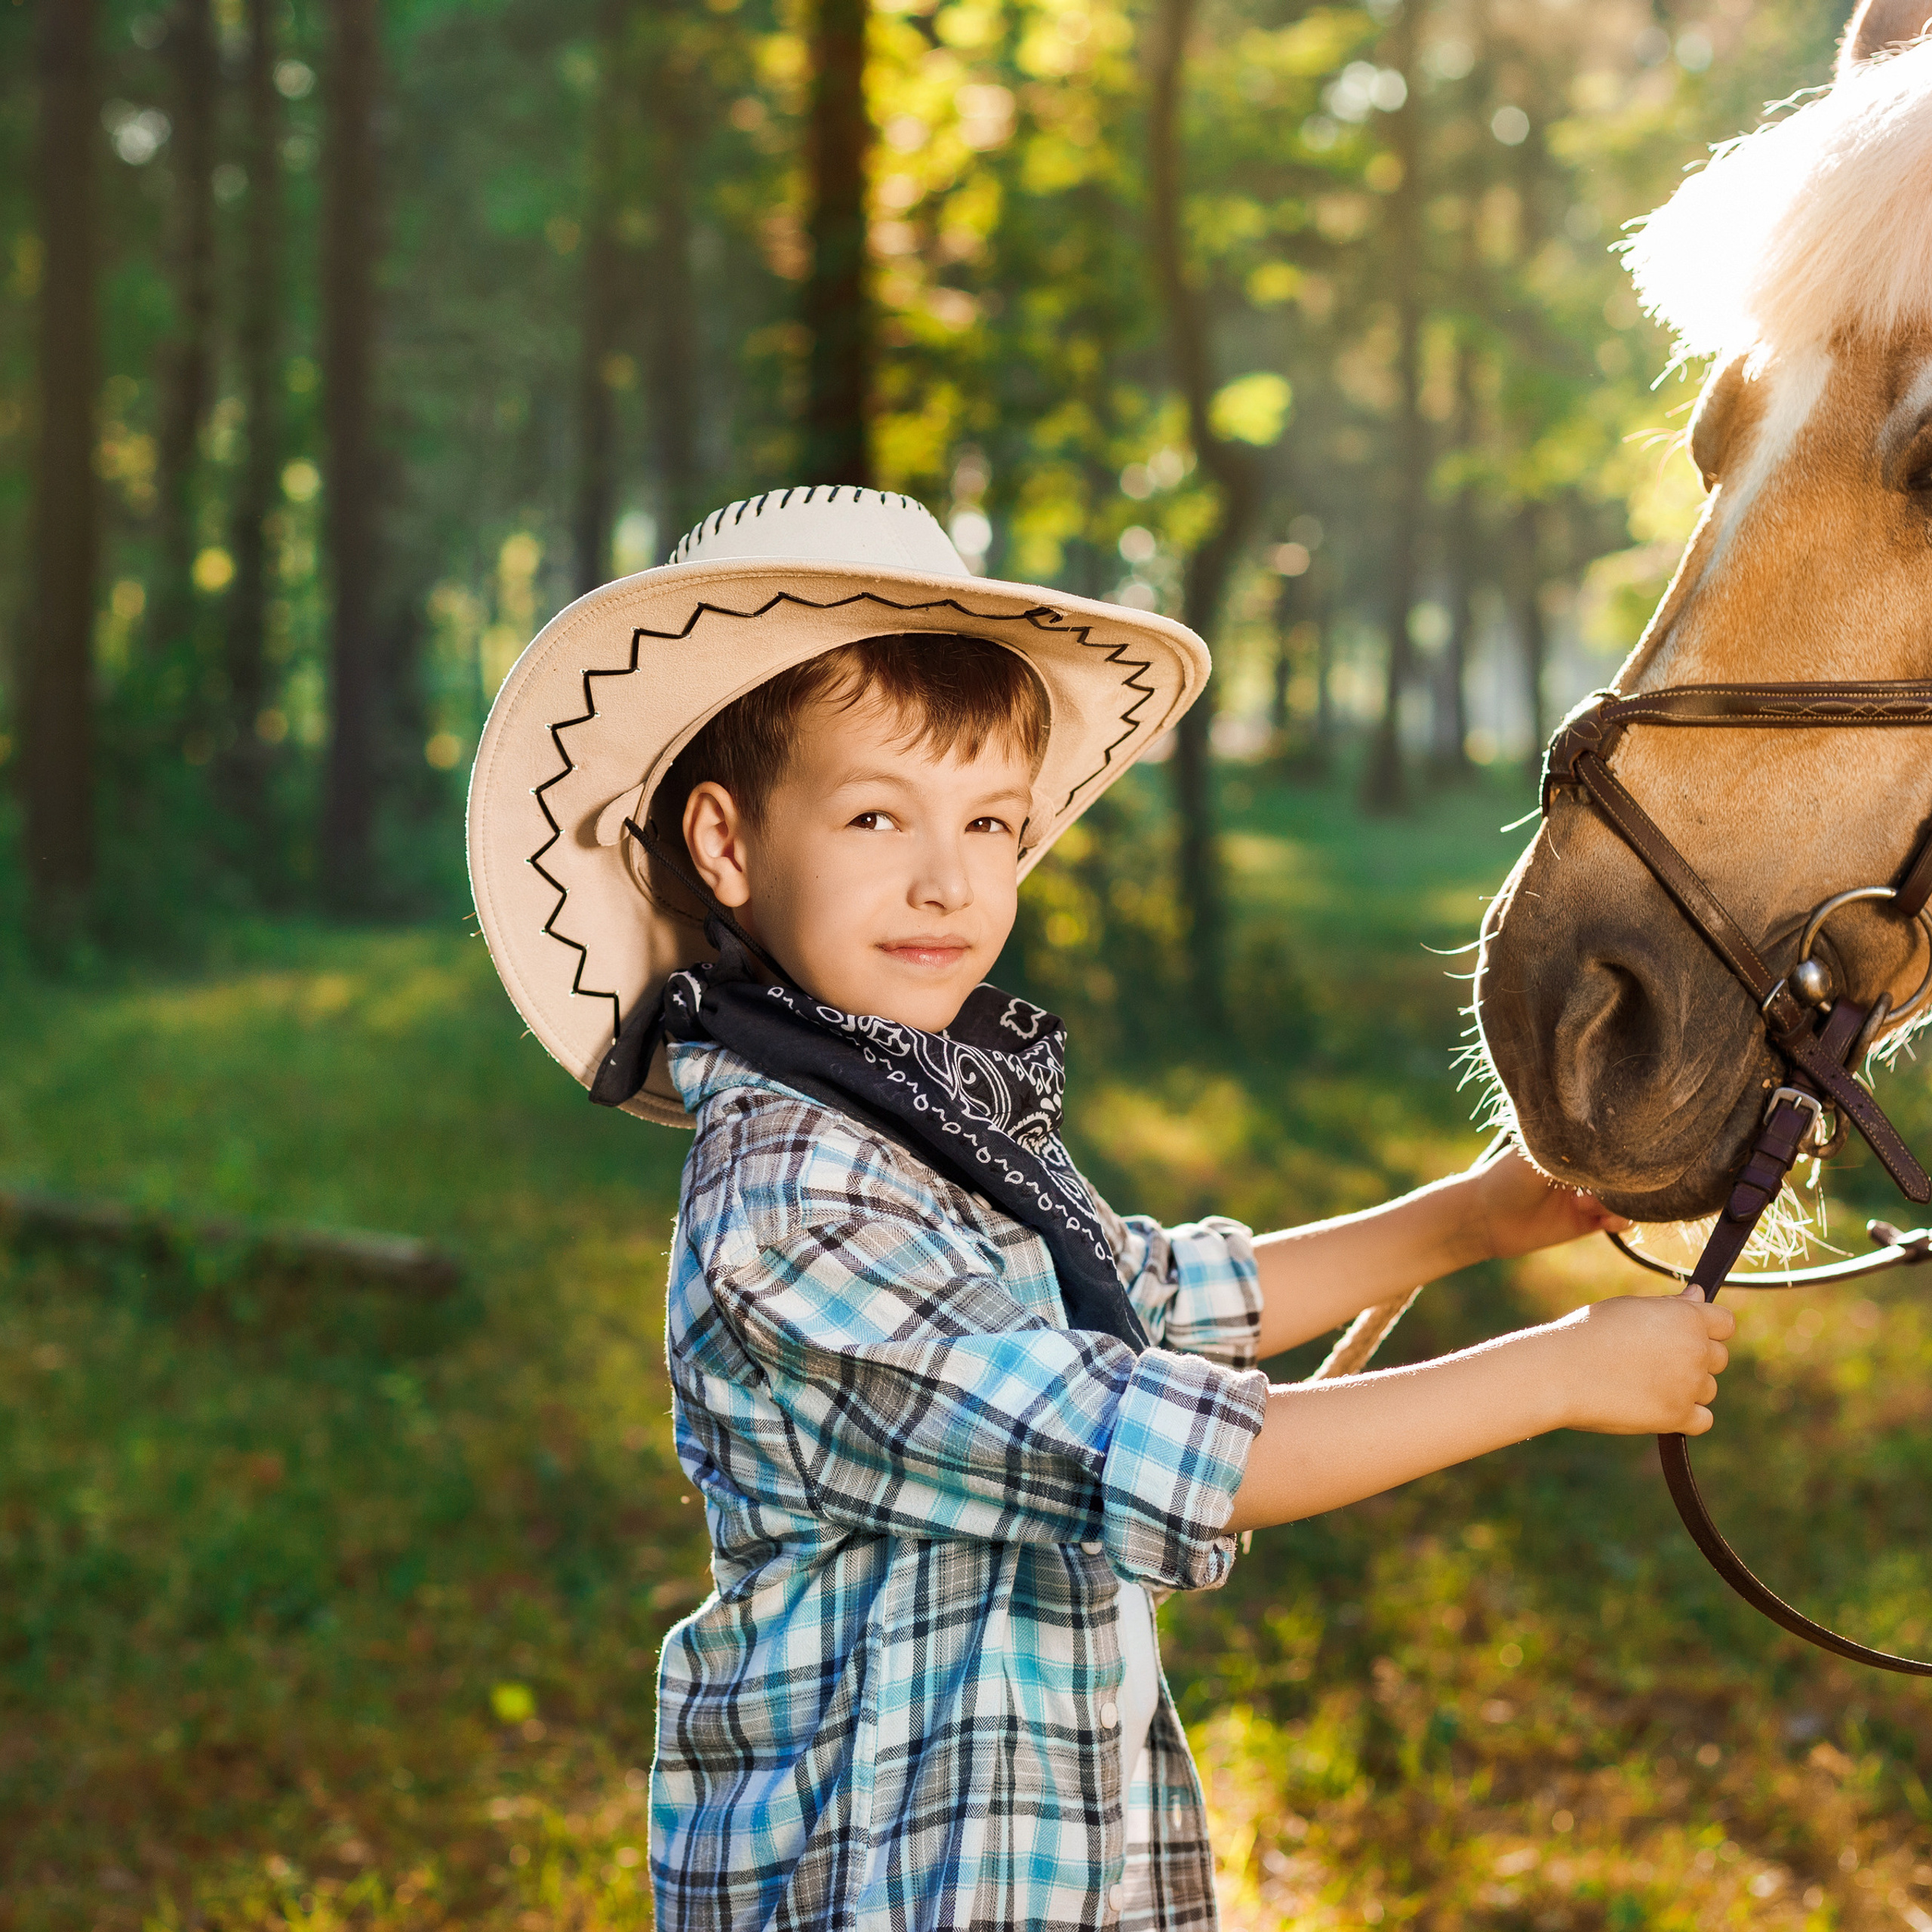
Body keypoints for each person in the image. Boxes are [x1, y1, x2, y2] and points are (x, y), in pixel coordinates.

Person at [466, 488, 1733, 1932]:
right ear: (729, 845)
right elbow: (1169, 1450)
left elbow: (1143, 1296)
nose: (949, 879)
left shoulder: (905, 1117)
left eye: (991, 822)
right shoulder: (793, 1199)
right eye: (876, 815)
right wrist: (1560, 1375)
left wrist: (1466, 1222)